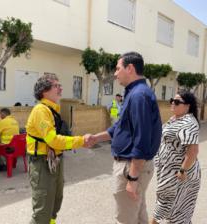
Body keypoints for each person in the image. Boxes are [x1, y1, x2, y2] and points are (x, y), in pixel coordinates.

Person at [90, 52, 162, 224]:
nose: (115, 74)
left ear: (130, 68)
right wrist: (95, 138)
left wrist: (133, 178)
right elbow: (120, 128)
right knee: (138, 216)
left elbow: (142, 140)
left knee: (125, 219)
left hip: (131, 167)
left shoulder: (138, 96)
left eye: (117, 68)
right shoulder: (134, 93)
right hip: (133, 167)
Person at [26, 73, 91, 224]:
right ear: (44, 91)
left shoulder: (52, 109)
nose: (60, 88)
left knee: (55, 201)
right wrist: (81, 141)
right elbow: (53, 140)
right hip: (42, 163)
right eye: (56, 85)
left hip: (54, 161)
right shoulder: (40, 111)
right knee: (43, 209)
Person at [151, 91, 201, 224]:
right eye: (172, 100)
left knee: (171, 207)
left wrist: (183, 170)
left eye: (177, 102)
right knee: (179, 210)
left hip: (180, 174)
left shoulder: (189, 123)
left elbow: (193, 150)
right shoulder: (176, 118)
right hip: (169, 172)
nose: (173, 103)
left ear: (187, 106)